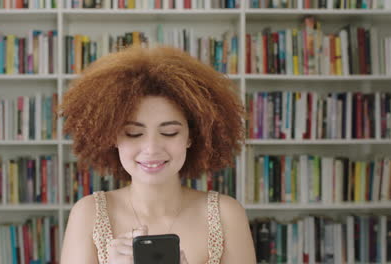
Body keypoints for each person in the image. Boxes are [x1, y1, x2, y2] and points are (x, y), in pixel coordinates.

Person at [59, 44, 256, 264]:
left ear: (192, 136)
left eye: (169, 132)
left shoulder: (226, 214)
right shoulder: (88, 214)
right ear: (112, 137)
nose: (151, 148)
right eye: (134, 133)